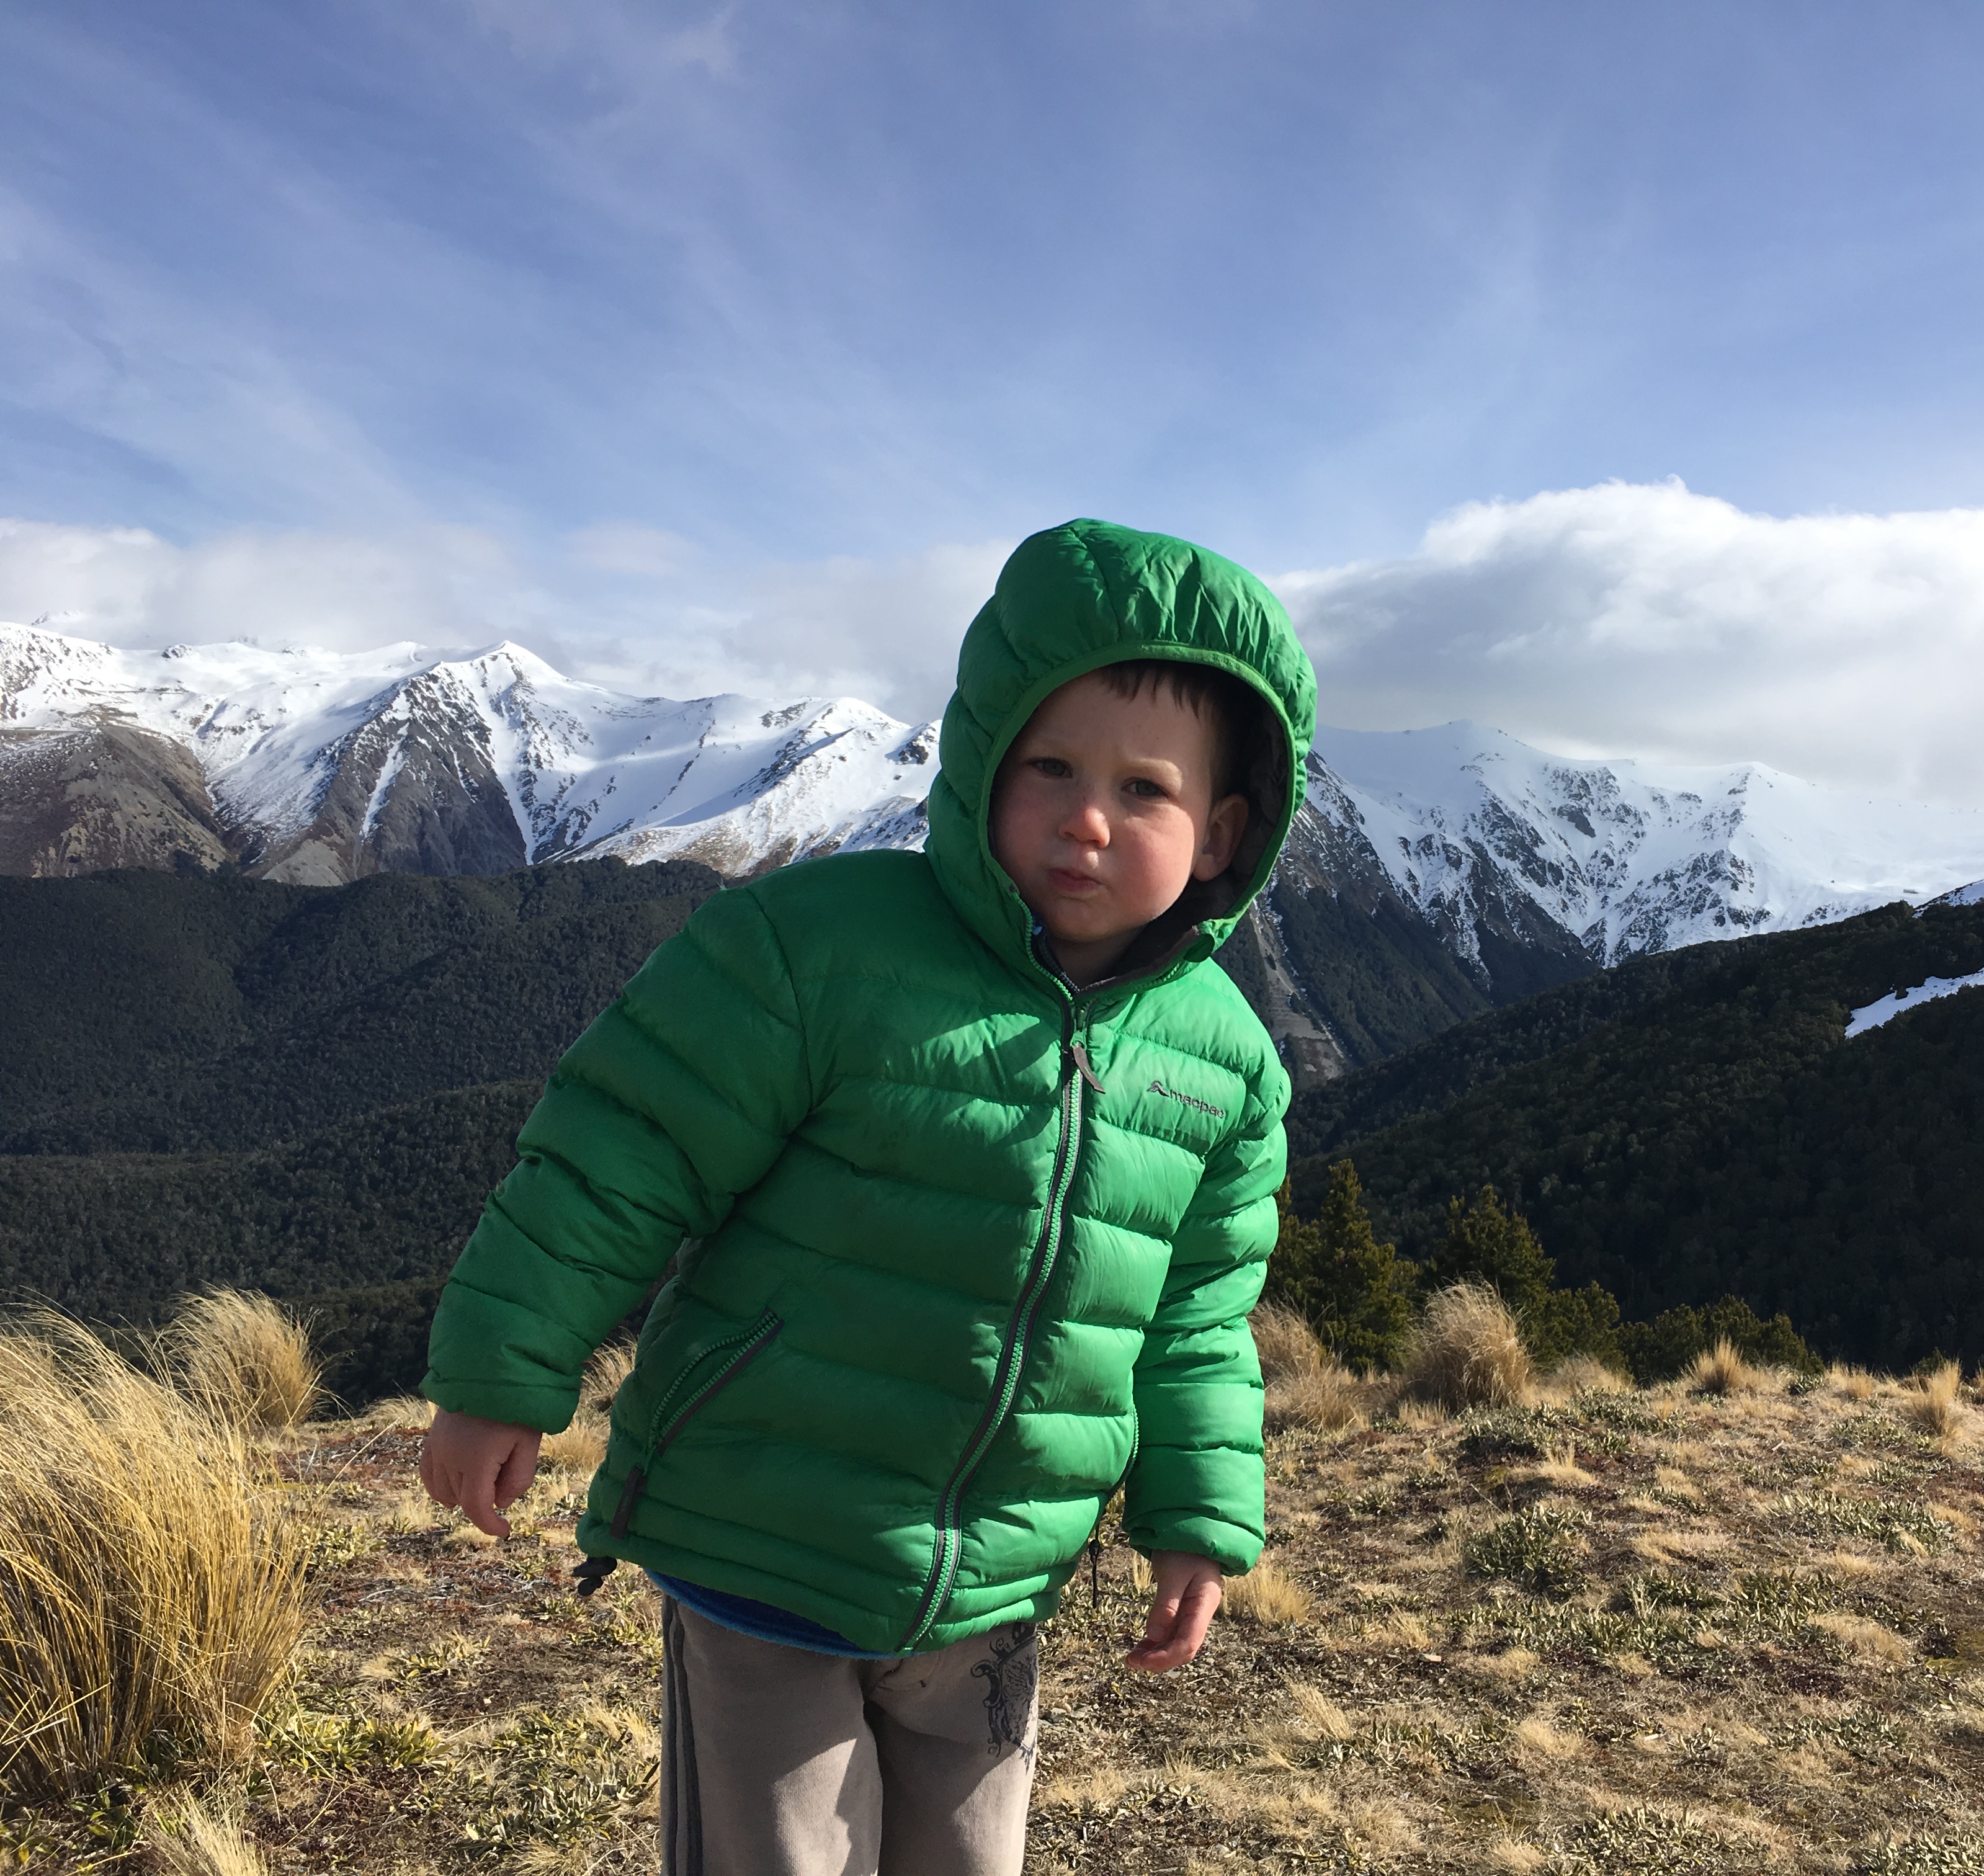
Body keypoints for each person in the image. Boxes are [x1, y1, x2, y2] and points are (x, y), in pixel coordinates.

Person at [416, 519, 1315, 1875]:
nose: (1088, 819)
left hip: (999, 1583)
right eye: (1051, 768)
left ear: (1223, 832)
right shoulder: (814, 953)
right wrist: (502, 1375)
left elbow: (1196, 1320)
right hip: (765, 1544)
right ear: (980, 765)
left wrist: (1196, 1518)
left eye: (1145, 790)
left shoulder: (1227, 1065)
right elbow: (620, 1159)